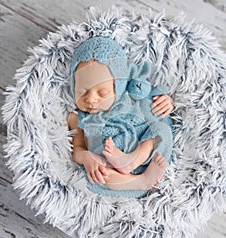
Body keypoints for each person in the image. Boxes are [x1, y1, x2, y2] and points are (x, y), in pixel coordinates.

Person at [68, 37, 175, 198]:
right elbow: (78, 148)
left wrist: (167, 101)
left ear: (118, 86)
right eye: (82, 92)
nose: (90, 99)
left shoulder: (131, 97)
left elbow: (155, 106)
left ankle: (132, 161)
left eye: (102, 93)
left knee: (161, 131)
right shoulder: (77, 117)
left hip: (144, 154)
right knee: (96, 175)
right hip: (109, 164)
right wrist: (87, 158)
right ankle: (140, 182)